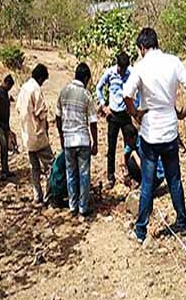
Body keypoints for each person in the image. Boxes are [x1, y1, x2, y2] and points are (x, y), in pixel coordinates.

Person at [124, 27, 186, 242]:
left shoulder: (141, 66)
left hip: (149, 134)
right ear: (156, 43)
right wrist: (183, 112)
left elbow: (126, 94)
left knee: (147, 183)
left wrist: (135, 113)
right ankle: (182, 222)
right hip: (169, 131)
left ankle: (141, 230)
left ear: (142, 48)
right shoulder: (173, 62)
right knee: (174, 178)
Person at [56, 63, 98, 217]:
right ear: (86, 78)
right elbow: (93, 122)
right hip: (82, 140)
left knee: (71, 173)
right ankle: (83, 207)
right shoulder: (86, 95)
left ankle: (72, 206)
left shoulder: (64, 91)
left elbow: (58, 117)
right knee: (84, 174)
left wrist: (62, 136)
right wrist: (95, 143)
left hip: (68, 140)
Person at [96, 52, 137, 189]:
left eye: (124, 69)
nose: (121, 71)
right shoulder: (110, 73)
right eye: (120, 68)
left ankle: (130, 174)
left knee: (130, 145)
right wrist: (103, 105)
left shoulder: (131, 73)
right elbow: (99, 88)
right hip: (113, 116)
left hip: (125, 116)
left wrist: (134, 107)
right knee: (111, 147)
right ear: (117, 65)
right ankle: (110, 176)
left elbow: (139, 89)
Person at [16, 64, 53, 204]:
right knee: (50, 166)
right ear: (40, 77)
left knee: (34, 168)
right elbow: (41, 112)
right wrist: (45, 126)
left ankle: (37, 195)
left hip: (27, 135)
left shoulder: (24, 88)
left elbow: (19, 109)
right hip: (38, 135)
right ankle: (49, 195)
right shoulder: (35, 89)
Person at [122, 124, 165, 191]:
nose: (128, 143)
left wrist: (134, 154)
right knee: (129, 159)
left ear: (134, 137)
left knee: (133, 158)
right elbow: (124, 154)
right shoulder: (132, 142)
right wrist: (124, 170)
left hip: (156, 174)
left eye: (129, 140)